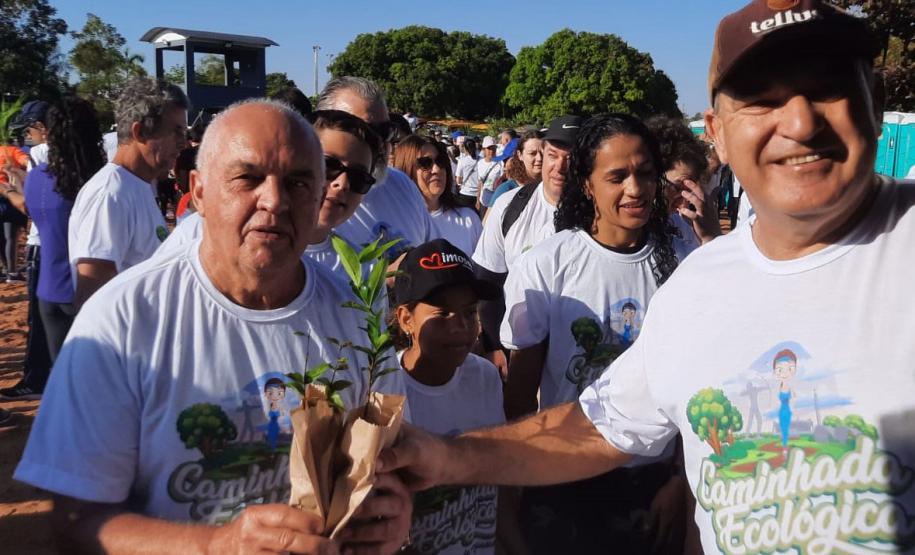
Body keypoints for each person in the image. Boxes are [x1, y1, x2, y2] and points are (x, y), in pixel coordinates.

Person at [379, 2, 915, 554]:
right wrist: (444, 457)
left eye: (829, 88)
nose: (800, 123)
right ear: (719, 136)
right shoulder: (698, 285)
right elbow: (600, 426)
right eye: (762, 100)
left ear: (874, 100)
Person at [16, 99, 412, 554]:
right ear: (199, 191)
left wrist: (390, 513)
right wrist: (216, 545)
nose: (275, 200)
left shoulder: (355, 322)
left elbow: (384, 465)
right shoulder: (121, 322)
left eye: (299, 182)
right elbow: (75, 523)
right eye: (247, 178)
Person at [500, 114, 686, 553]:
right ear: (587, 184)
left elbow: (695, 386)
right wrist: (514, 488)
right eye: (616, 176)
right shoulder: (547, 264)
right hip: (563, 477)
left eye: (644, 173)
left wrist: (681, 479)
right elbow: (521, 396)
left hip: (654, 485)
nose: (635, 189)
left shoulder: (683, 260)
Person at [391, 238, 507, 555]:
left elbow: (498, 472)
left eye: (470, 312)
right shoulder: (384, 392)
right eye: (442, 314)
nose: (460, 327)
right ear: (405, 319)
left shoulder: (484, 377)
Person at [472, 116, 582, 379]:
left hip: (575, 355)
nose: (560, 167)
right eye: (553, 155)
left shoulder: (602, 214)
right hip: (517, 350)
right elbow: (488, 281)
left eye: (572, 158)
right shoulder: (509, 206)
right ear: (542, 155)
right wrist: (493, 346)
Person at [68, 77, 189, 309]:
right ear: (140, 131)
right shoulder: (111, 194)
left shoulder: (137, 185)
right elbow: (91, 298)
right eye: (176, 132)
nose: (183, 143)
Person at [24, 97, 106, 371]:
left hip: (47, 288)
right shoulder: (97, 183)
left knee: (63, 379)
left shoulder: (36, 178)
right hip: (87, 291)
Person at [316, 77, 433, 260]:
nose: (379, 142)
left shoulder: (402, 185)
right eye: (362, 131)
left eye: (386, 131)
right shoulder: (304, 201)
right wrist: (385, 281)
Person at [647, 115, 722, 256]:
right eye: (677, 188)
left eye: (689, 191)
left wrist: (710, 238)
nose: (683, 202)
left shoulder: (681, 226)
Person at [394, 135, 482, 256]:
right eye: (425, 163)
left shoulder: (469, 218)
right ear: (406, 168)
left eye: (441, 161)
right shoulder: (391, 225)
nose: (436, 169)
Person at [490, 130, 542, 206]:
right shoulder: (506, 189)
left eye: (543, 153)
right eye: (532, 153)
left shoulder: (555, 187)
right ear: (519, 155)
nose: (539, 158)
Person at [476, 136, 503, 209]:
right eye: (489, 148)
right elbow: (480, 182)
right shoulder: (480, 163)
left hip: (495, 202)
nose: (492, 151)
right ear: (484, 149)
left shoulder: (500, 163)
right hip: (483, 201)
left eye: (494, 148)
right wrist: (477, 200)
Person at [454, 138, 479, 208]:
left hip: (465, 193)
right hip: (479, 195)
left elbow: (458, 180)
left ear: (465, 148)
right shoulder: (481, 160)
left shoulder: (462, 161)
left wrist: (460, 184)